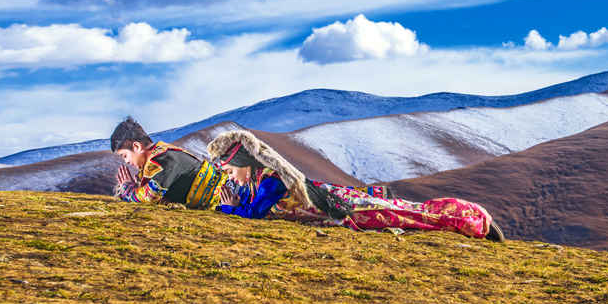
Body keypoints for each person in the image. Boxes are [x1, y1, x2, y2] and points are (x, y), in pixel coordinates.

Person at [209, 129, 504, 241]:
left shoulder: (272, 182)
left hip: (348, 209)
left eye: (231, 168)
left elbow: (254, 215)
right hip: (341, 203)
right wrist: (235, 206)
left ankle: (469, 218)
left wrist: (228, 208)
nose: (230, 174)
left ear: (247, 163)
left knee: (412, 215)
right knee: (404, 213)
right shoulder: (261, 181)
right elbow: (250, 210)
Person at [110, 116, 227, 210]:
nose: (126, 161)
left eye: (125, 156)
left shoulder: (164, 159)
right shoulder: (160, 158)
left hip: (230, 197)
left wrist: (128, 190)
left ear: (137, 146)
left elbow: (150, 196)